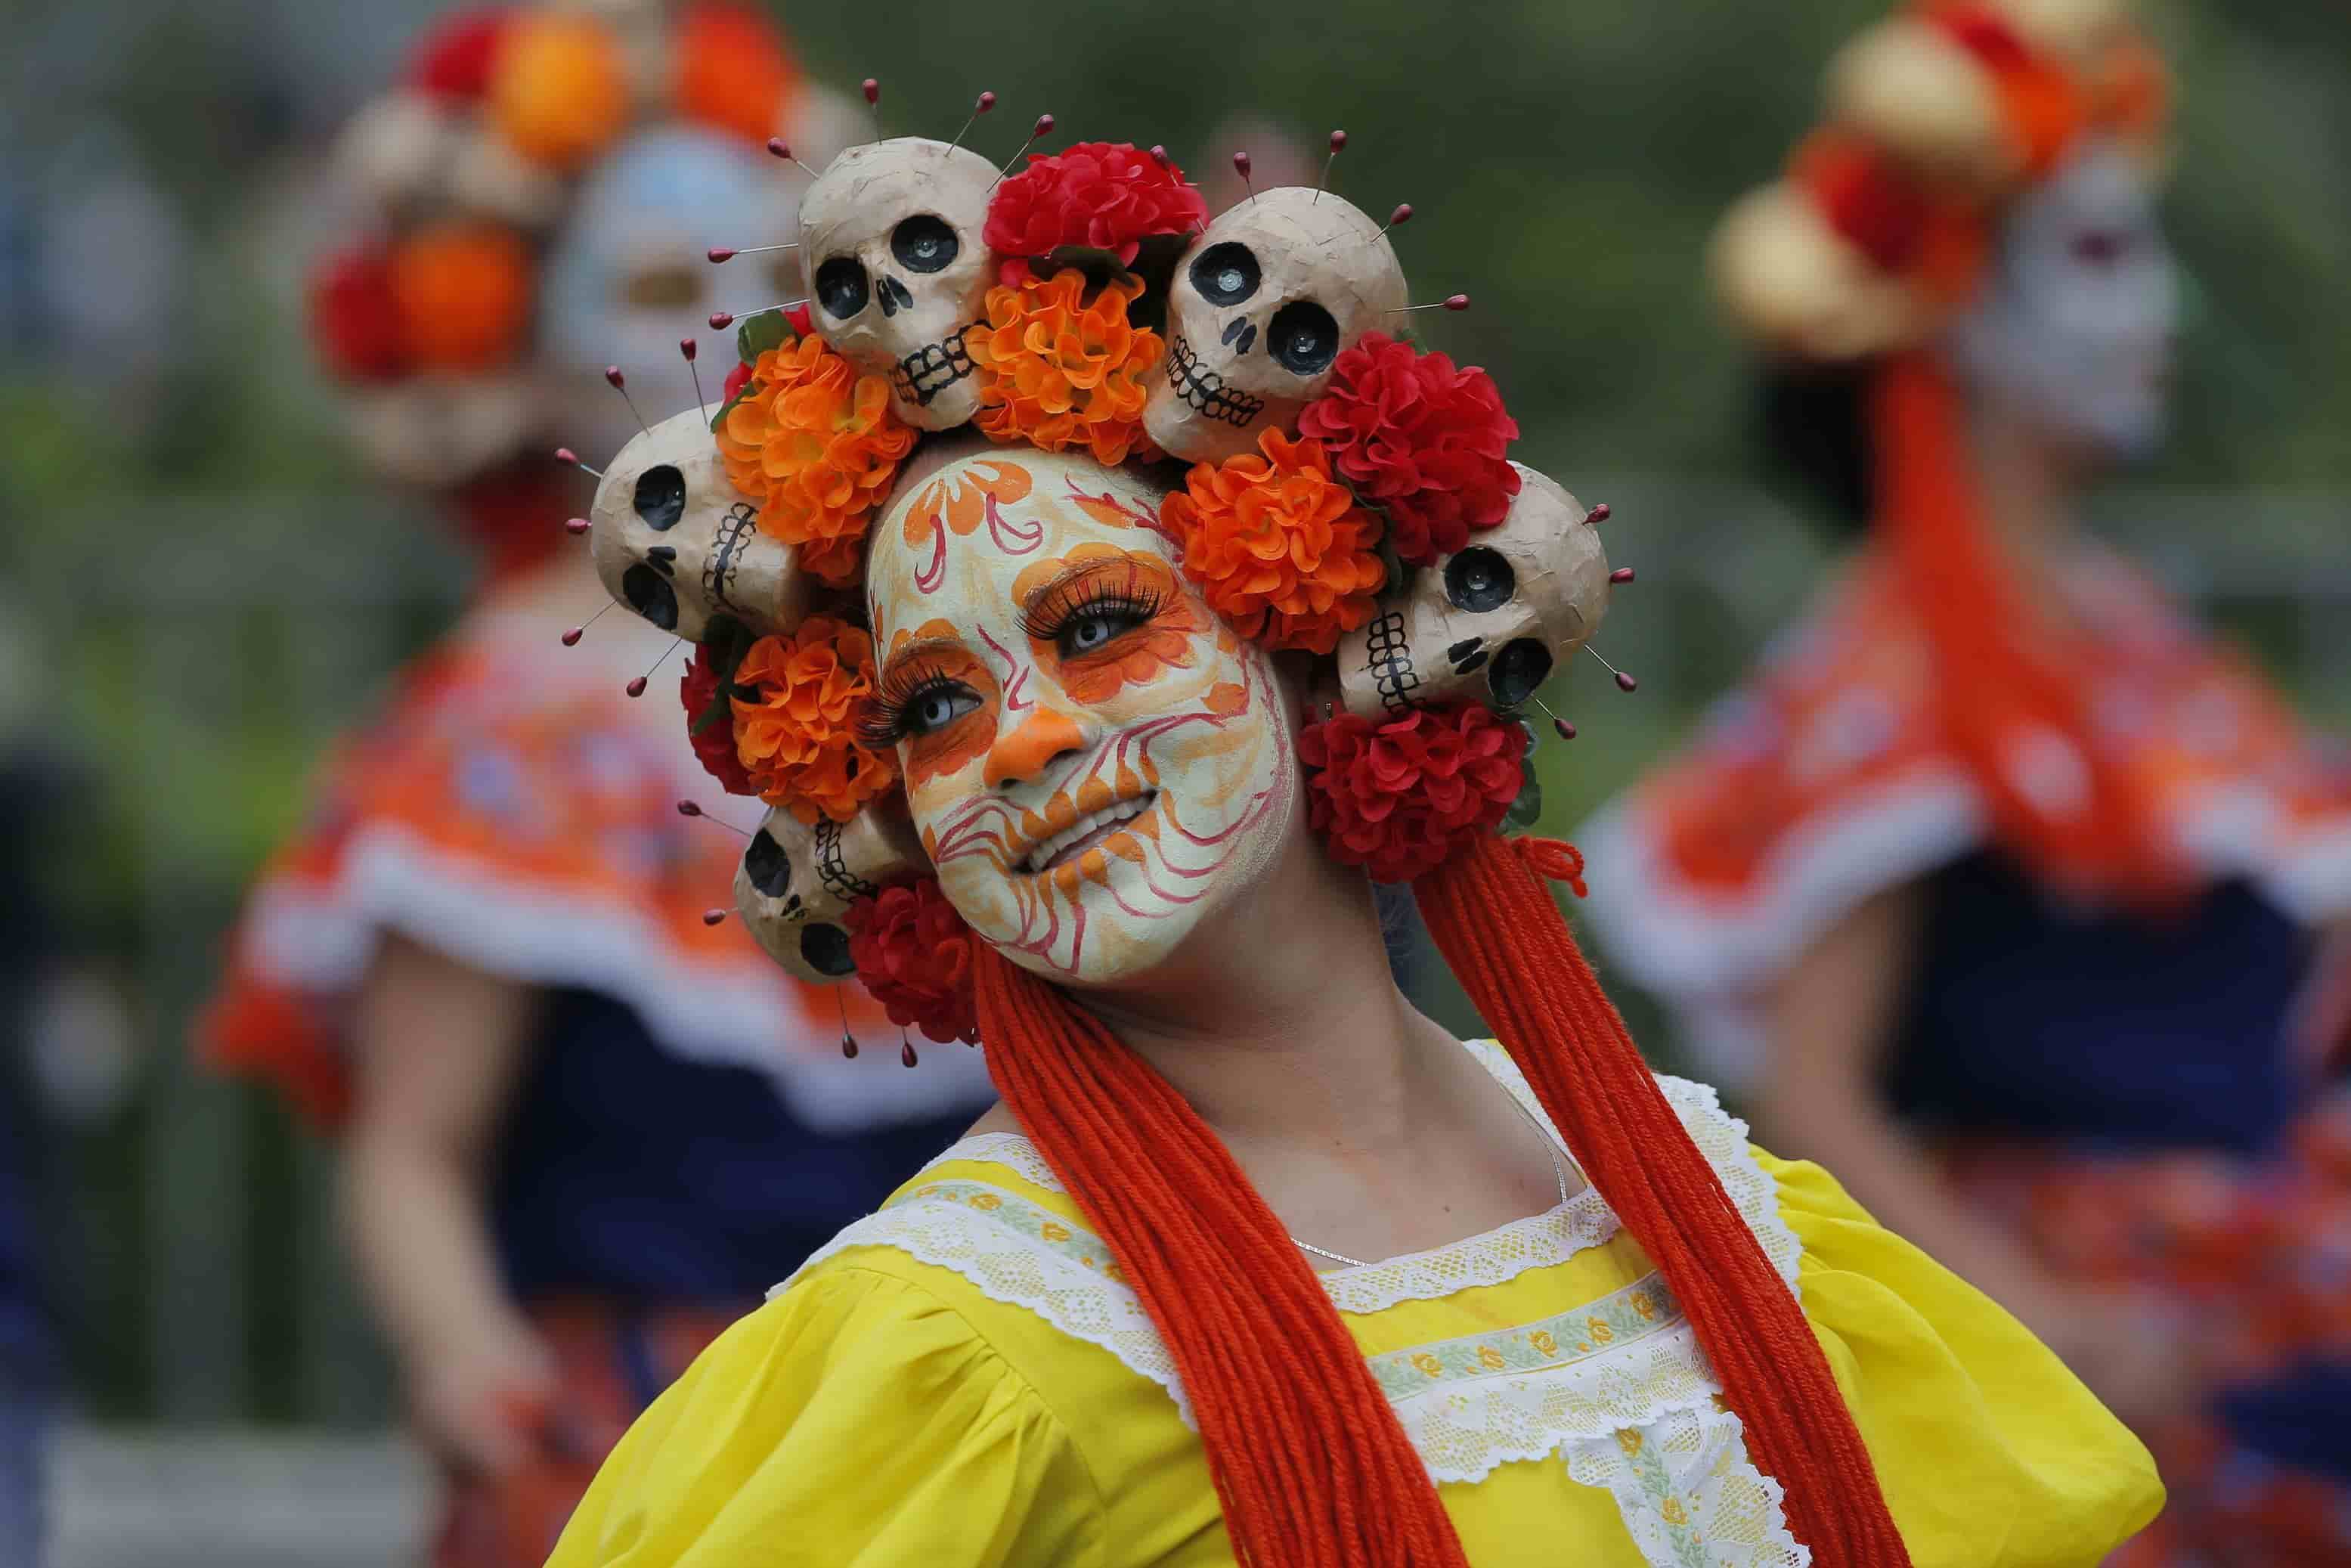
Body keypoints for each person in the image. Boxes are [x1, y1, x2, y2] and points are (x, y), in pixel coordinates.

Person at [537, 91, 2160, 1567]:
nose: (1022, 742)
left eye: (1099, 625)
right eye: (935, 708)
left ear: (1311, 639)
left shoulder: (1701, 1199)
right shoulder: (960, 1353)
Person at [200, 8, 988, 1563]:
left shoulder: (936, 624)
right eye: (644, 287)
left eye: (768, 280)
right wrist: (467, 1362)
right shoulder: (505, 719)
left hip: (960, 1400)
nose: (716, 325)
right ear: (511, 334)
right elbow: (414, 1141)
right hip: (642, 1434)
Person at [1579, 2, 2351, 1560]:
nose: (2162, 302)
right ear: (1943, 307)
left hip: (2279, 1318)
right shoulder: (1898, 669)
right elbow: (1812, 1082)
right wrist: (2057, 1321)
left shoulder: (2114, 618)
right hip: (2144, 1375)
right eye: (2091, 254)